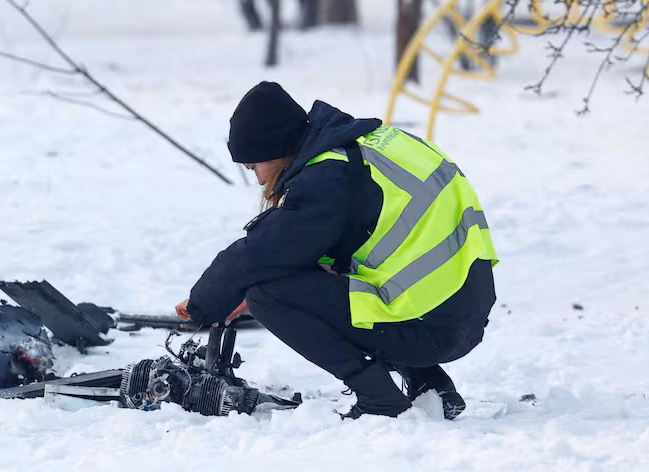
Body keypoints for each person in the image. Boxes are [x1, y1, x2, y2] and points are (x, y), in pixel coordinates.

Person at [175, 81, 497, 419]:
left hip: (430, 328)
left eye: (254, 166)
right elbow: (340, 244)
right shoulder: (368, 148)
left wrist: (204, 305)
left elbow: (257, 254)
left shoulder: (327, 177)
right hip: (461, 316)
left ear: (276, 147)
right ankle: (431, 384)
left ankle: (379, 399)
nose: (257, 180)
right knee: (341, 272)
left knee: (266, 296)